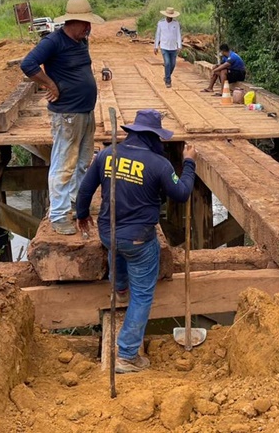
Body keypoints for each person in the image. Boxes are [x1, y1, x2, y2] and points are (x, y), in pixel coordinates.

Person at [74, 110, 196, 373]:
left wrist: (81, 214)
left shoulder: (107, 154)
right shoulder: (159, 164)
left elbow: (85, 189)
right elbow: (182, 193)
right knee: (142, 296)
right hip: (139, 239)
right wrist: (189, 163)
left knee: (116, 250)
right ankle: (127, 355)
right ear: (152, 137)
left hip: (109, 231)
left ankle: (118, 287)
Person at [21, 0, 104, 235]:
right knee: (64, 165)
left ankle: (77, 203)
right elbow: (28, 64)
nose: (88, 28)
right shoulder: (53, 41)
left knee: (82, 162)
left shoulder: (81, 42)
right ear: (72, 22)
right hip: (67, 114)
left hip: (85, 112)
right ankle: (58, 214)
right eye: (85, 24)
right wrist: (50, 85)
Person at [154, 6, 182, 88]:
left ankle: (166, 76)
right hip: (164, 46)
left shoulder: (176, 24)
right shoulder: (161, 23)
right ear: (166, 15)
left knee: (173, 64)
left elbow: (178, 35)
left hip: (173, 47)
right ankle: (168, 81)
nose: (170, 17)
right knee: (167, 63)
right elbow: (158, 35)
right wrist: (156, 46)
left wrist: (179, 45)